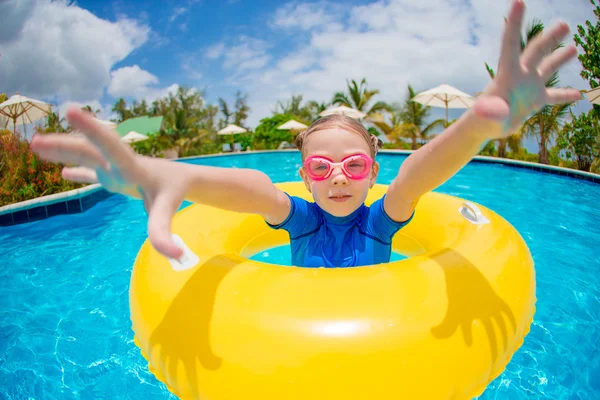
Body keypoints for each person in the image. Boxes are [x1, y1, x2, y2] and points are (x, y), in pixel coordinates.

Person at [31, 0, 581, 267]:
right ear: (304, 176)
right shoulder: (301, 219)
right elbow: (254, 192)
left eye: (354, 166)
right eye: (320, 167)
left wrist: (478, 126)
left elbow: (417, 176)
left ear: (372, 173)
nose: (337, 178)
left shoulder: (377, 224)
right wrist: (172, 173)